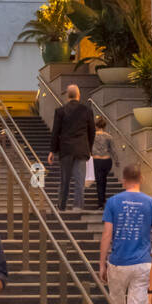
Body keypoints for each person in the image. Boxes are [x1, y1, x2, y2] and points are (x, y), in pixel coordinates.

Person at [100, 163, 152, 304]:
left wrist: (102, 263)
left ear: (123, 180)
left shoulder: (112, 202)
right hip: (142, 263)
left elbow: (107, 235)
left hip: (118, 263)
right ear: (141, 178)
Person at [48, 83, 95, 212]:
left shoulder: (60, 111)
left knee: (65, 179)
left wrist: (52, 151)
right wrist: (89, 149)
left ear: (67, 96)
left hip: (66, 150)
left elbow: (55, 132)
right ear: (79, 95)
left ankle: (61, 206)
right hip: (81, 149)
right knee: (80, 180)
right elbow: (92, 131)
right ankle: (77, 206)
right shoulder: (87, 111)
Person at [91, 115, 116, 210]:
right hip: (107, 161)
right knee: (104, 179)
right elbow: (112, 150)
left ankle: (101, 203)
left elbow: (89, 148)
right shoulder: (109, 137)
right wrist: (117, 161)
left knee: (99, 181)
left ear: (96, 126)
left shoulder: (92, 136)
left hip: (97, 160)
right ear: (104, 126)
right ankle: (103, 200)